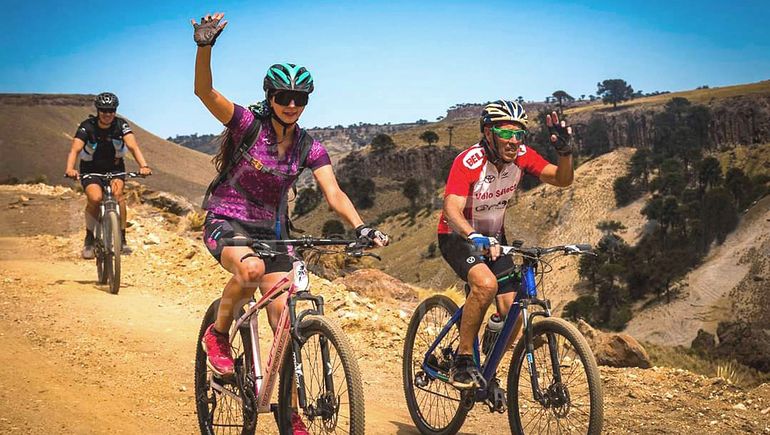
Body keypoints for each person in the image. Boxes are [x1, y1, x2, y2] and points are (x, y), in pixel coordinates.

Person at [191, 12, 389, 379]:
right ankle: (218, 334)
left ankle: (290, 406)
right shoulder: (247, 124)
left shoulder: (308, 146)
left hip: (274, 232)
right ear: (270, 97)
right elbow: (205, 92)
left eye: (300, 98)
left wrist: (361, 227)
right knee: (250, 270)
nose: (292, 104)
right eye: (284, 96)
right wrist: (205, 48)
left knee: (284, 317)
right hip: (227, 220)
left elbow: (334, 193)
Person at [437, 99, 574, 389]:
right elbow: (451, 209)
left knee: (513, 310)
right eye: (506, 133)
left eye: (519, 134)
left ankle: (488, 369)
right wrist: (472, 235)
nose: (513, 141)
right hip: (458, 235)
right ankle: (463, 360)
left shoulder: (522, 156)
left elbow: (562, 179)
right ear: (489, 133)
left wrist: (565, 154)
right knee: (485, 285)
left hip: (494, 238)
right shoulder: (469, 161)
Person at [65, 92, 152, 258]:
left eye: (111, 110)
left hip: (115, 169)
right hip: (91, 170)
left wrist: (144, 166)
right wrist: (70, 168)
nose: (108, 114)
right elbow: (75, 149)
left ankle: (122, 239)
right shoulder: (87, 126)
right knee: (95, 199)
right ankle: (89, 238)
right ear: (98, 110)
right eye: (104, 110)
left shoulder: (121, 125)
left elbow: (133, 146)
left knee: (118, 197)